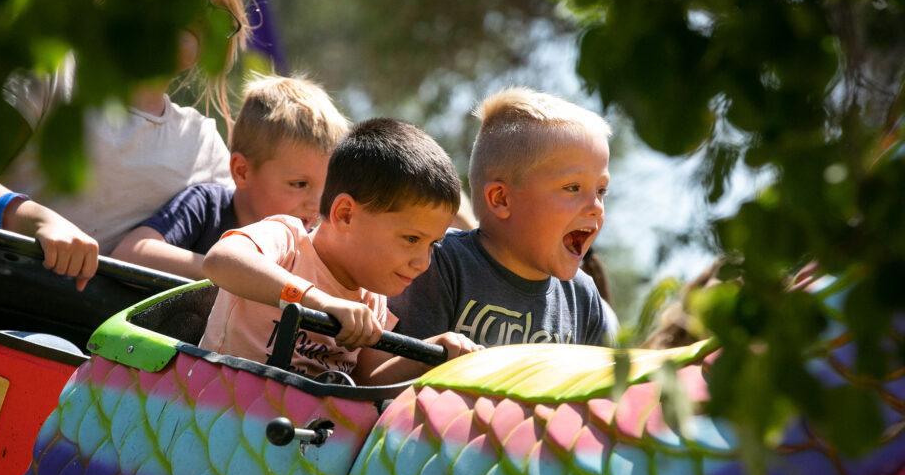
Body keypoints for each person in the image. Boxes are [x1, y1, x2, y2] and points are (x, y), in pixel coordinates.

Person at [0, 0, 249, 293]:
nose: (201, 18)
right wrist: (37, 221)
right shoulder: (52, 71)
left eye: (219, 15)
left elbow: (251, 240)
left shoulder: (205, 145)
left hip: (120, 339)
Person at [198, 118, 481, 384]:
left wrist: (429, 355)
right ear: (345, 214)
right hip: (214, 413)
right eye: (411, 239)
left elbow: (365, 382)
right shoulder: (287, 241)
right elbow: (220, 260)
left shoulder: (372, 299)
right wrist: (319, 302)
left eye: (432, 244)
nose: (423, 262)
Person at [390, 87, 613, 347]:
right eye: (572, 188)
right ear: (501, 199)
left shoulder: (583, 297)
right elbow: (389, 380)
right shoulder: (439, 264)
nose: (595, 206)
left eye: (601, 190)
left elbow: (607, 386)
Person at [111, 74, 349, 278]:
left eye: (326, 187)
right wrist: (233, 273)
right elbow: (130, 253)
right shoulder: (207, 208)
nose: (316, 204)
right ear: (242, 171)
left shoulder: (307, 247)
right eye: (299, 184)